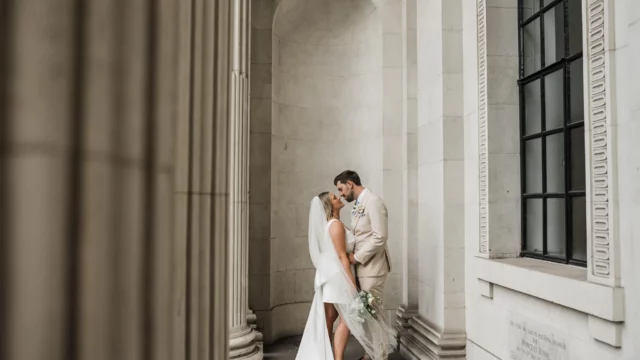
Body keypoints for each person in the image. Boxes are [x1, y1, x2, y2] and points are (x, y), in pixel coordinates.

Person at [295, 190, 395, 360]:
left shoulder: (335, 223)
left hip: (331, 275)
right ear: (329, 205)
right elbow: (342, 256)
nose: (339, 197)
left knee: (330, 317)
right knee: (346, 320)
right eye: (335, 198)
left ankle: (324, 355)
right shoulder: (335, 225)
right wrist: (351, 284)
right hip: (337, 277)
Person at [334, 170, 391, 360]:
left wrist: (356, 257)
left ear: (350, 183)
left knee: (376, 316)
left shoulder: (373, 201)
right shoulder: (359, 204)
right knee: (368, 316)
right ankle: (371, 353)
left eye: (341, 188)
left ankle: (379, 357)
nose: (341, 194)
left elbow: (379, 237)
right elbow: (362, 235)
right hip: (362, 270)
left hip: (373, 268)